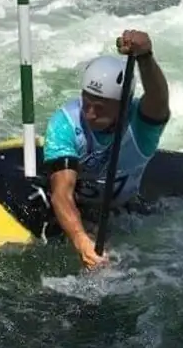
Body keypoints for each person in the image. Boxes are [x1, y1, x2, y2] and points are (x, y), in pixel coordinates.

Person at [42, 30, 170, 270]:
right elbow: (61, 193)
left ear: (123, 105)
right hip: (79, 210)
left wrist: (145, 57)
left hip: (124, 210)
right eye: (86, 102)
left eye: (100, 108)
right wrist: (81, 241)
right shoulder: (65, 123)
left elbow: (158, 99)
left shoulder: (140, 125)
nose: (89, 114)